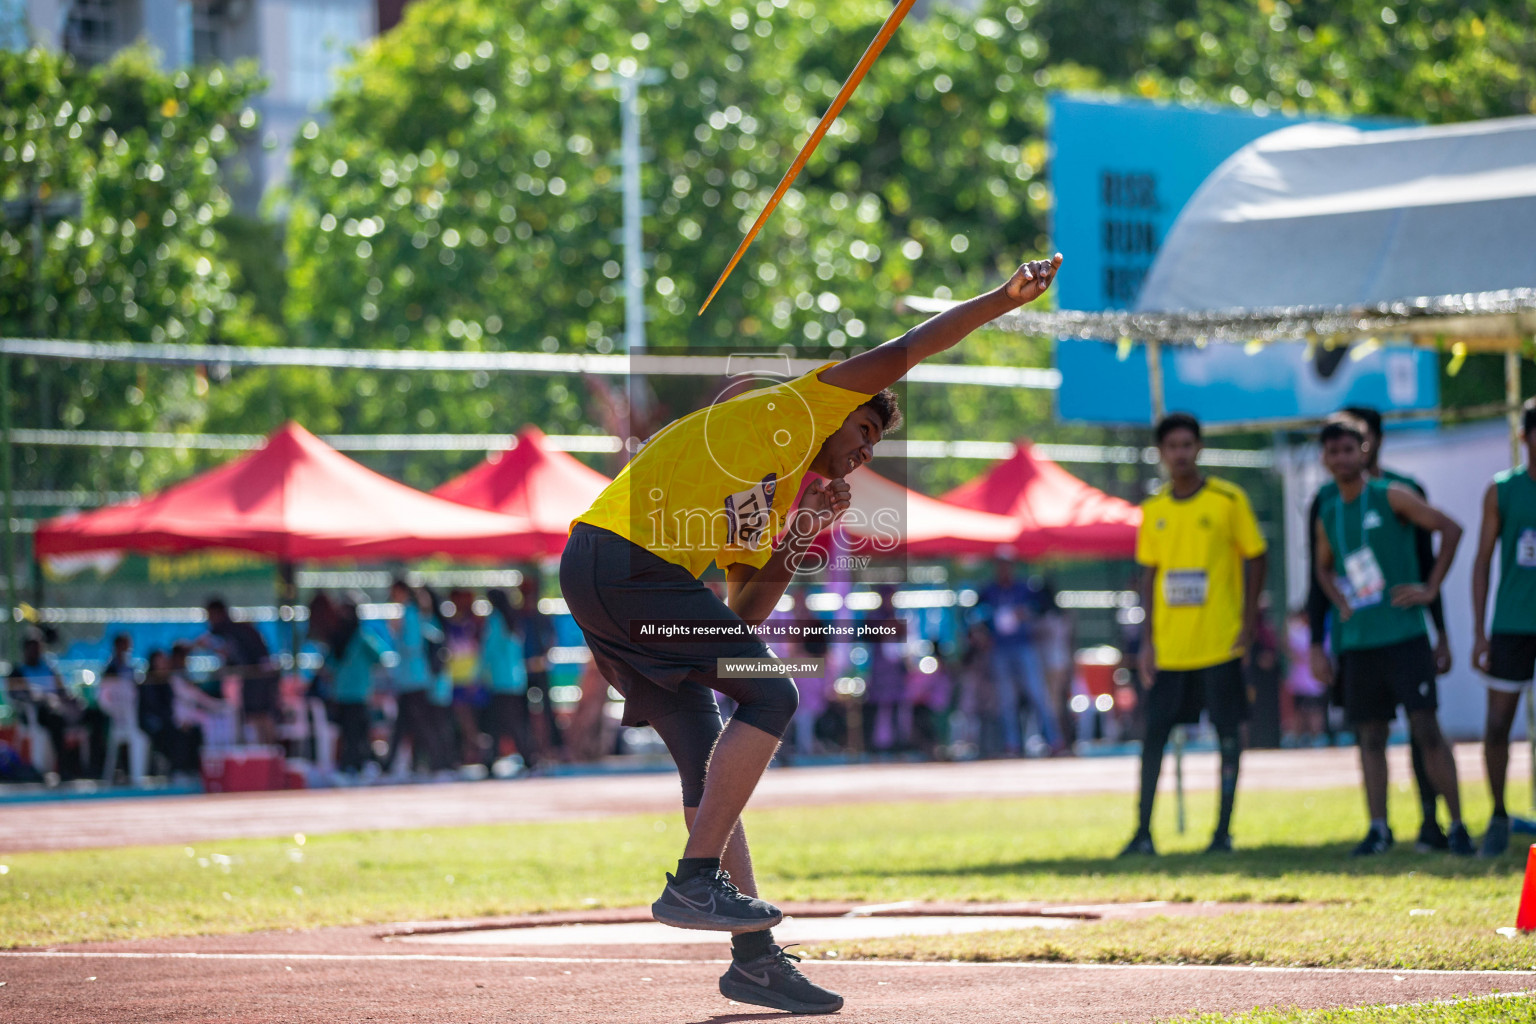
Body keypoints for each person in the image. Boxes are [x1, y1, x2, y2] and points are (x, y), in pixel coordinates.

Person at [560, 253, 1063, 1015]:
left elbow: (742, 619)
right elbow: (908, 352)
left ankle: (753, 961)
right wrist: (1003, 298)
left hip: (615, 586)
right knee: (772, 696)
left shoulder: (766, 493)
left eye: (872, 443)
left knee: (711, 760)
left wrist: (800, 538)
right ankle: (696, 881)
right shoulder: (796, 409)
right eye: (863, 428)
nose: (864, 449)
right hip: (622, 565)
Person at [1312, 413, 1474, 857]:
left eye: (1350, 449)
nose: (1342, 458)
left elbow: (1451, 528)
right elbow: (1322, 567)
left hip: (1404, 635)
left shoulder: (1392, 495)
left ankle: (1458, 825)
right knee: (1370, 736)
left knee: (1426, 729)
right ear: (1324, 458)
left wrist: (1431, 587)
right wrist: (1337, 601)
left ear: (1365, 451)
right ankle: (1379, 828)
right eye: (1333, 451)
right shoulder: (1327, 509)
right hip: (1359, 641)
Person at [1120, 412, 1267, 857]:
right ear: (1162, 454)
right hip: (1170, 652)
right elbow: (1147, 577)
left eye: (1188, 445)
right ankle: (1142, 833)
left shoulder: (1227, 500)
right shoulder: (1155, 510)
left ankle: (1222, 832)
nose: (1180, 454)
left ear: (1199, 448)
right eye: (1172, 447)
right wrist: (1147, 641)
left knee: (1228, 737)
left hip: (1220, 644)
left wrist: (1247, 621)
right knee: (1153, 740)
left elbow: (1256, 557)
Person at [1470, 399, 1536, 858]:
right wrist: (1479, 630)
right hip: (1511, 626)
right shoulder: (1502, 491)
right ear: (1525, 437)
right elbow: (1482, 562)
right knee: (1497, 726)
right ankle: (1497, 814)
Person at [977, 554, 1063, 757]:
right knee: (1007, 700)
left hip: (1024, 648)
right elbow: (975, 614)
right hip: (1000, 650)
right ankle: (1012, 745)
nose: (1004, 570)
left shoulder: (1024, 588)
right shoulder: (989, 591)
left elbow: (1042, 608)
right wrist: (981, 633)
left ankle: (1054, 742)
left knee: (1038, 695)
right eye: (1000, 566)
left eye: (1007, 565)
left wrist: (1025, 613)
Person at [199, 598, 281, 747]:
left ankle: (267, 754)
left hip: (257, 677)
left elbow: (230, 653)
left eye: (210, 616)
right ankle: (266, 753)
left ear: (217, 613)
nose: (209, 620)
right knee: (259, 715)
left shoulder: (230, 630)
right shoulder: (238, 629)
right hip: (258, 676)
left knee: (259, 714)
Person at [384, 579, 444, 778]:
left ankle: (437, 762)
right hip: (412, 678)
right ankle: (395, 764)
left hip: (413, 678)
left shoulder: (409, 613)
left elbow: (411, 645)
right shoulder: (415, 613)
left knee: (419, 724)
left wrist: (396, 631)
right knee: (406, 724)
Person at [325, 597, 386, 777]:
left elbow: (328, 666)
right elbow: (381, 658)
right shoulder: (362, 637)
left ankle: (351, 766)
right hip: (358, 692)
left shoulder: (339, 637)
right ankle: (355, 766)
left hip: (343, 693)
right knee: (357, 732)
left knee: (349, 732)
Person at [481, 587, 538, 775]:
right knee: (514, 722)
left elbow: (489, 650)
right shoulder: (514, 620)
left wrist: (479, 674)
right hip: (516, 680)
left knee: (499, 723)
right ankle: (525, 759)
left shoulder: (495, 620)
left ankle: (496, 762)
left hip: (500, 680)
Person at [517, 574, 564, 762]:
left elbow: (551, 639)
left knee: (547, 710)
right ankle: (529, 750)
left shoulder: (541, 617)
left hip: (539, 668)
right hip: (522, 670)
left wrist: (543, 656)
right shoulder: (518, 617)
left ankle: (556, 747)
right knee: (523, 712)